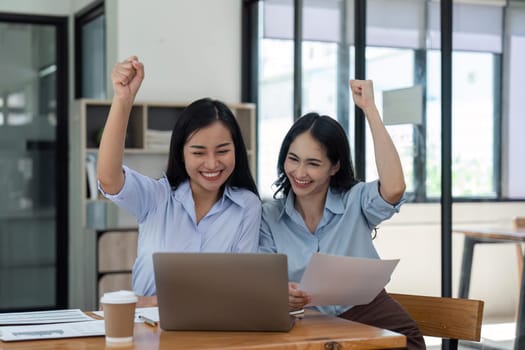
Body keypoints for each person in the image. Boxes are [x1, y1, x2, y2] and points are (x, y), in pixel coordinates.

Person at [259, 80, 425, 349]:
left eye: (313, 163)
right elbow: (262, 277)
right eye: (293, 159)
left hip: (370, 312)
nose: (299, 173)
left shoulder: (355, 200)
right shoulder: (268, 217)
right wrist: (279, 292)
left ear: (334, 166)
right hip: (305, 323)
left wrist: (370, 109)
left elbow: (394, 187)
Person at [97, 56, 261, 304]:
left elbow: (242, 286)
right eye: (198, 152)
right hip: (149, 329)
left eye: (223, 150)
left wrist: (153, 301)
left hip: (216, 328)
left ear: (236, 149)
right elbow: (108, 178)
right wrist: (123, 99)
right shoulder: (156, 196)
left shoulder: (247, 205)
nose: (212, 163)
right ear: (181, 154)